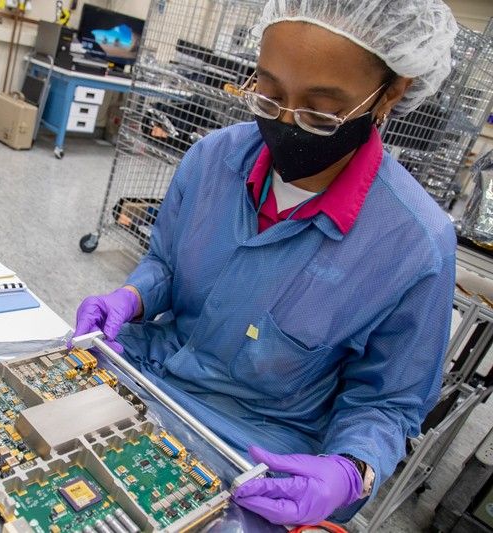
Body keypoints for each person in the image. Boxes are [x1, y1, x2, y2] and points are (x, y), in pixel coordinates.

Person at [72, 0, 459, 526]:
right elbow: (167, 262)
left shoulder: (414, 244)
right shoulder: (214, 158)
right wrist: (133, 296)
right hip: (146, 374)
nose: (285, 125)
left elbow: (388, 402)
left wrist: (350, 470)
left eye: (321, 111)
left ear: (392, 92)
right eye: (269, 95)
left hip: (259, 453)